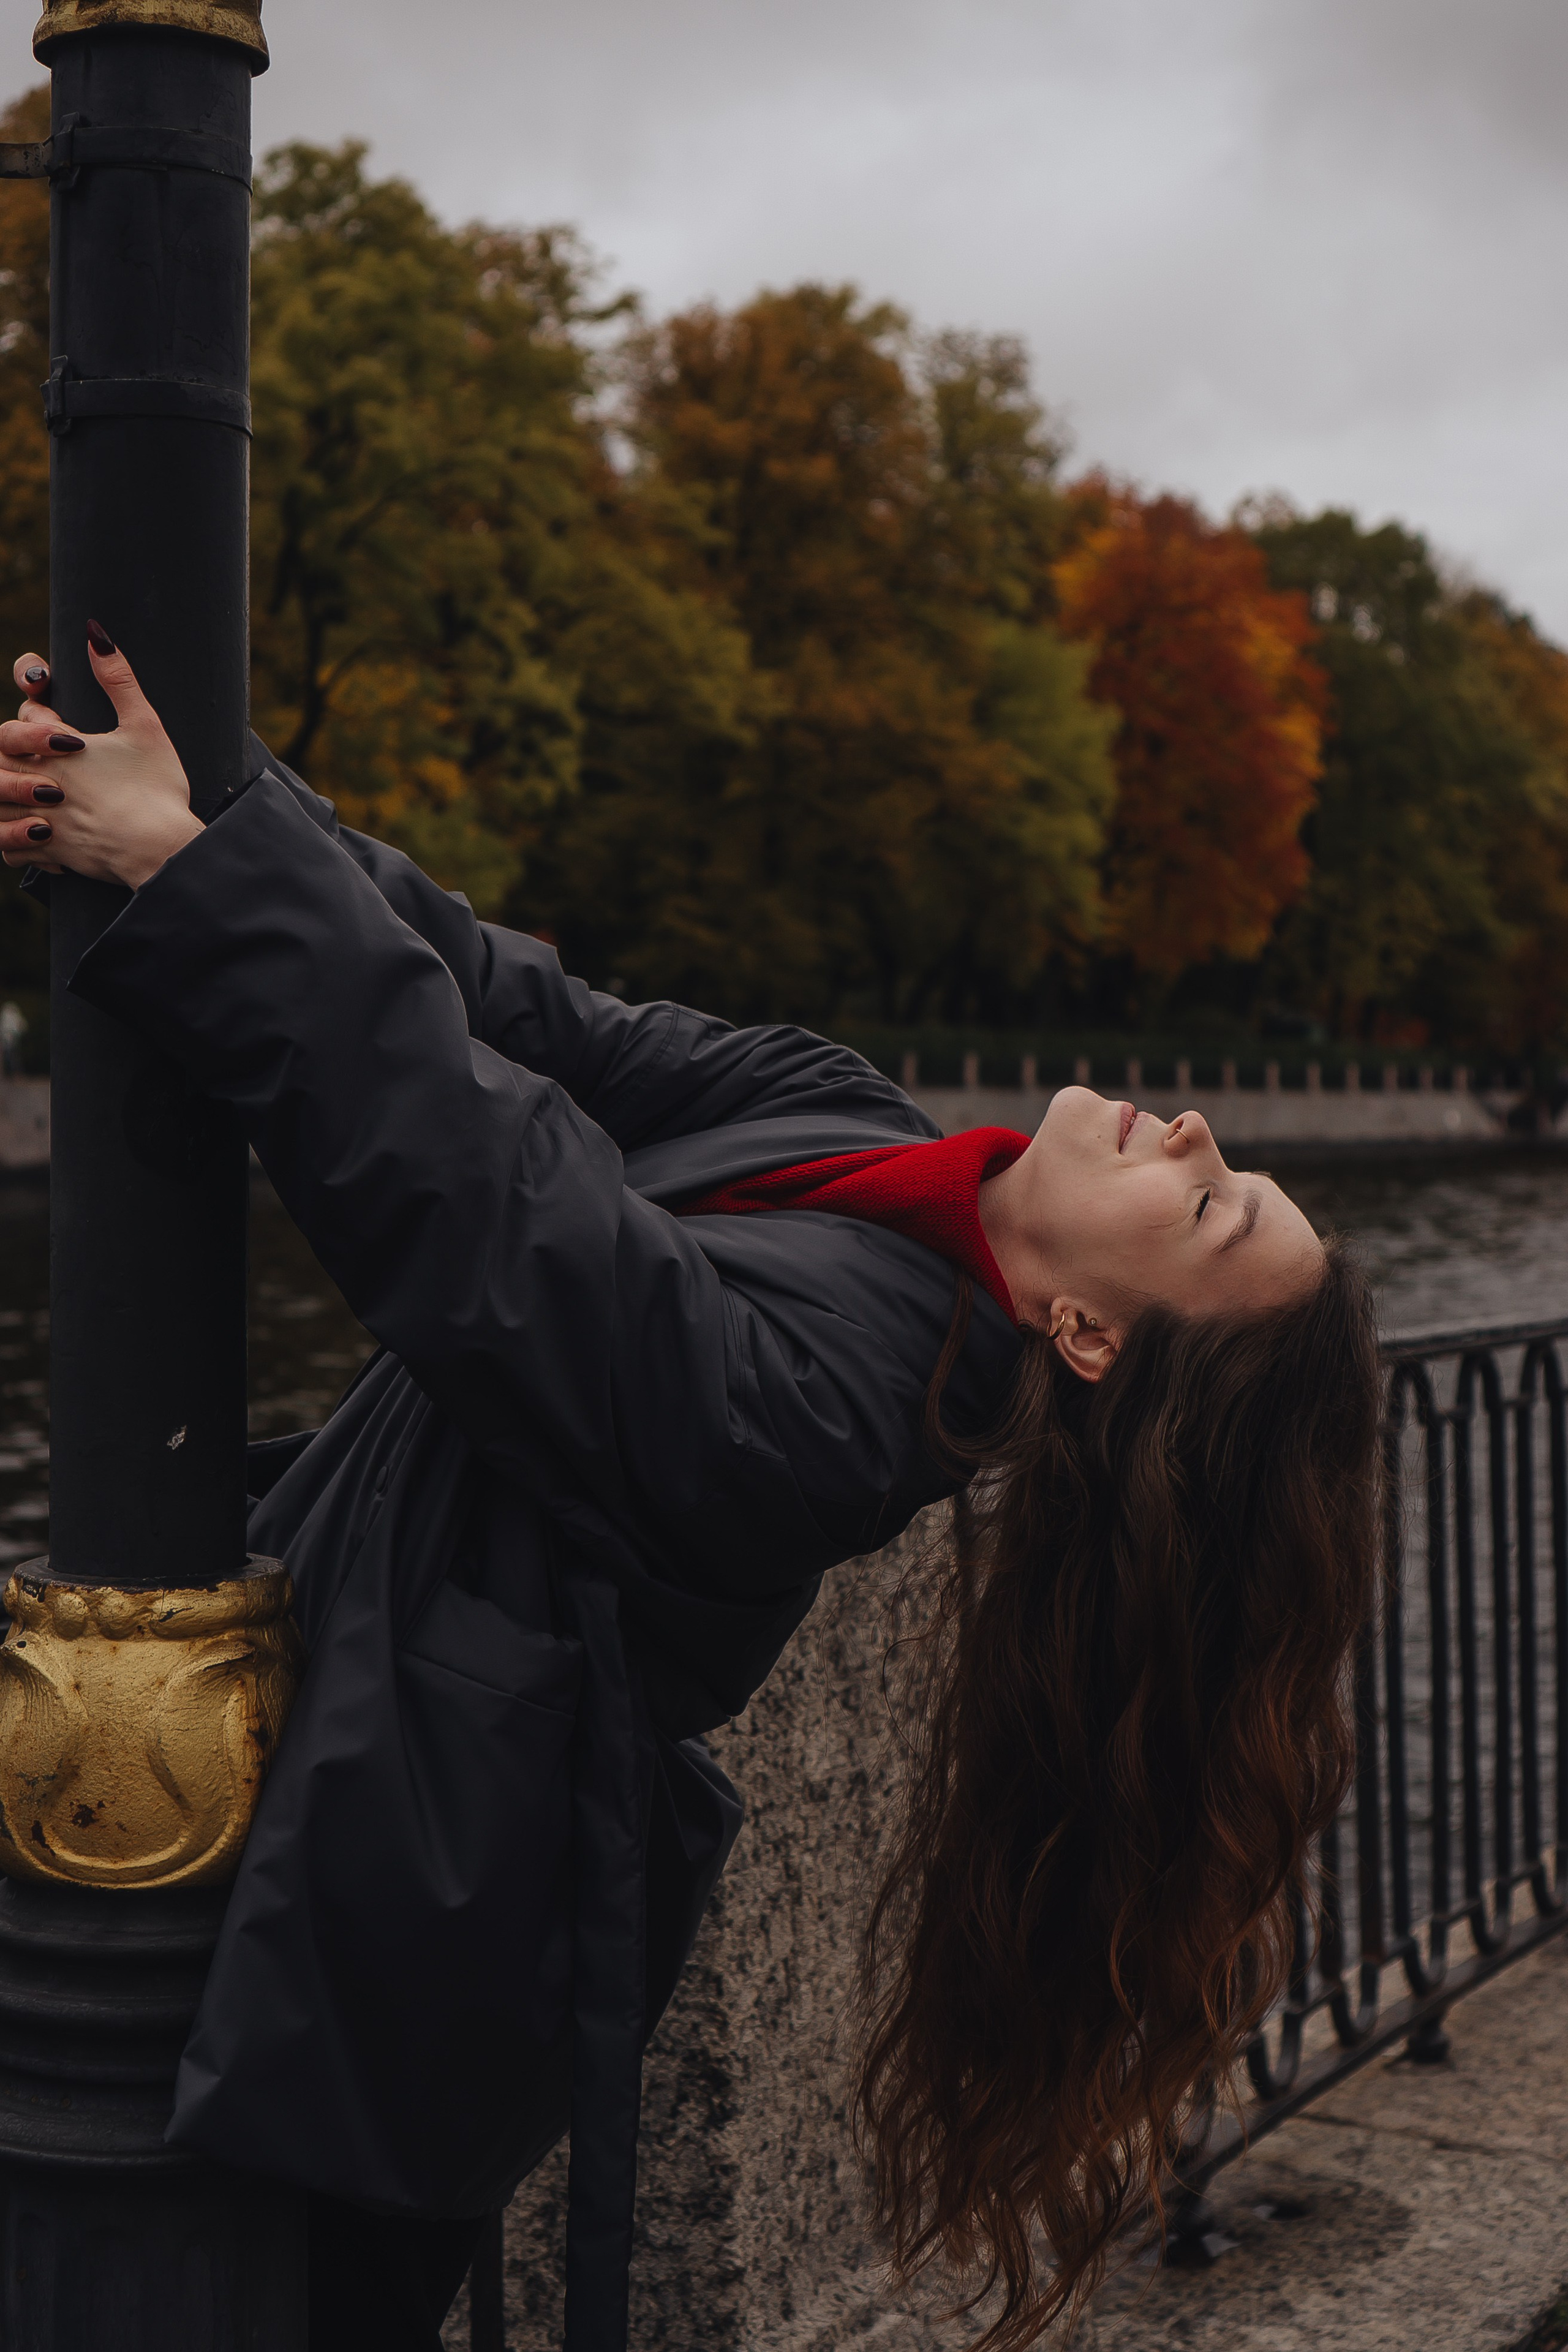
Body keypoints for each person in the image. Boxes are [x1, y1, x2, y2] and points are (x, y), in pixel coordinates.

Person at [0, 633, 1381, 2352]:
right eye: (1228, 1164)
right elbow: (523, 1021)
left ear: (1093, 1338)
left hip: (354, 1941)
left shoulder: (839, 1417)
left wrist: (203, 875)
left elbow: (497, 1211)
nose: (1190, 1139)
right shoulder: (857, 1123)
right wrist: (218, 791)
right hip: (276, 1775)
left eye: (1213, 1206)